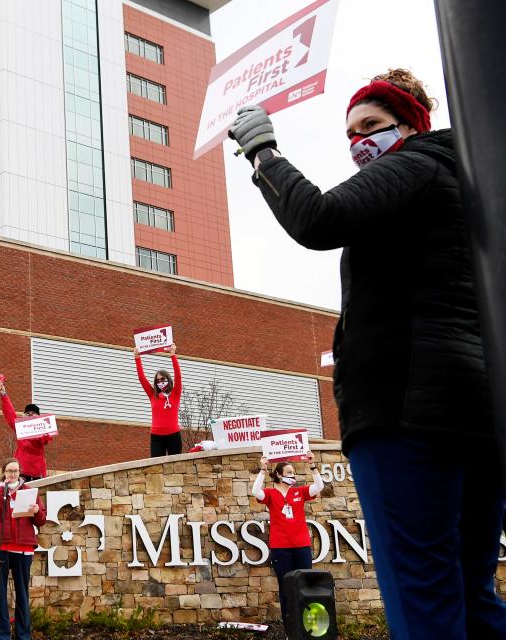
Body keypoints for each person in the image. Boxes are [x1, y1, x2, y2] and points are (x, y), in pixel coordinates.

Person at [230, 69, 506, 639]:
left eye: (372, 126)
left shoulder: (414, 163)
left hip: (404, 413)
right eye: (350, 132)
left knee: (422, 595)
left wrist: (263, 152)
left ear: (410, 125)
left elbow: (319, 218)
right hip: (474, 412)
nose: (359, 143)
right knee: (471, 593)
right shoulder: (468, 184)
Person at [251, 453, 323, 632]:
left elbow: (319, 486)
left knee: (306, 586)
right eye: (289, 472)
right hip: (281, 548)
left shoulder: (299, 491)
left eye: (294, 473)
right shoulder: (270, 494)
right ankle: (291, 629)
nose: (294, 476)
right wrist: (262, 469)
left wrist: (312, 465)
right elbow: (255, 492)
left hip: (301, 547)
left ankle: (309, 627)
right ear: (279, 475)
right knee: (286, 588)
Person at [0, 457, 46, 640]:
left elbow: (41, 520)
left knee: (22, 592)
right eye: (10, 471)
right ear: (4, 473)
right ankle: (2, 634)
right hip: (1, 547)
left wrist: (36, 511)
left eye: (16, 471)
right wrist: (1, 490)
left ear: (20, 473)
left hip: (23, 548)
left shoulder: (29, 491)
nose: (13, 474)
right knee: (0, 592)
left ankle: (23, 634)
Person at [0, 380, 52, 482]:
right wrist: (4, 395)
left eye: (33, 413)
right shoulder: (20, 427)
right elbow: (10, 414)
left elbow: (46, 439)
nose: (30, 414)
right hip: (21, 471)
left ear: (39, 417)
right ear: (24, 415)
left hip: (37, 472)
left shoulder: (44, 428)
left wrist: (34, 430)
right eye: (28, 413)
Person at [133, 343, 182, 456]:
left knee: (175, 469)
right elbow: (142, 378)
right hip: (156, 437)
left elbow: (178, 376)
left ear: (168, 380)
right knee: (156, 470)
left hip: (174, 436)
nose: (160, 382)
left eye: (162, 379)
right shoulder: (152, 395)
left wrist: (173, 355)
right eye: (158, 380)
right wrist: (137, 358)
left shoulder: (175, 393)